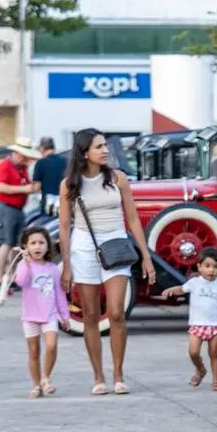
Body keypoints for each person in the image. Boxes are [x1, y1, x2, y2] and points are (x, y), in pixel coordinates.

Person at [58, 129, 155, 397]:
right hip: (84, 248)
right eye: (98, 146)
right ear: (84, 152)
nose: (105, 150)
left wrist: (146, 257)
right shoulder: (69, 185)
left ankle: (119, 374)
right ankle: (98, 376)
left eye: (105, 145)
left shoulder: (118, 178)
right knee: (90, 315)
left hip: (116, 247)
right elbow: (64, 226)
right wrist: (66, 264)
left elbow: (133, 219)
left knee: (115, 313)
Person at [157, 247, 217, 391]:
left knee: (214, 354)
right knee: (193, 352)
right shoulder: (194, 283)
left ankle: (216, 380)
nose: (211, 270)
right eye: (207, 266)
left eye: (215, 267)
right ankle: (200, 368)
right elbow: (182, 289)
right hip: (197, 325)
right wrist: (171, 290)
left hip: (215, 326)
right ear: (199, 267)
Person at [11, 226, 69, 398]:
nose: (37, 247)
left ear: (47, 246)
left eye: (42, 243)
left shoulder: (52, 269)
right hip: (30, 317)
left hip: (49, 315)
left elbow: (59, 294)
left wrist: (64, 315)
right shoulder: (23, 265)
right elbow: (20, 282)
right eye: (33, 243)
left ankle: (46, 377)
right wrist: (26, 264)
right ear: (26, 247)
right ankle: (36, 385)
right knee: (34, 351)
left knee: (51, 345)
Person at [0, 139, 41, 292]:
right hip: (6, 208)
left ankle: (11, 277)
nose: (27, 159)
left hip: (17, 209)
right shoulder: (5, 165)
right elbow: (0, 187)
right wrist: (25, 189)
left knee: (14, 245)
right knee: (6, 243)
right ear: (16, 153)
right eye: (24, 156)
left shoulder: (21, 168)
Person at [31, 137, 66, 216]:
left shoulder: (41, 163)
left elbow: (36, 187)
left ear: (42, 149)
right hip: (64, 205)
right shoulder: (66, 161)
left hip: (48, 206)